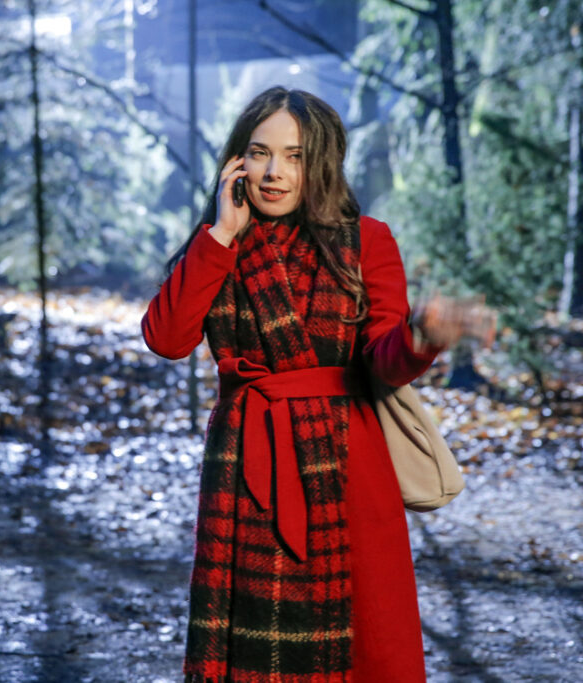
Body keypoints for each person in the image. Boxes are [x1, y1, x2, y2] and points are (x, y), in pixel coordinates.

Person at [142, 87, 486, 682]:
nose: (273, 172)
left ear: (321, 163)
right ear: (237, 162)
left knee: (366, 640)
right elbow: (167, 338)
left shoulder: (366, 241)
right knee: (251, 645)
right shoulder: (217, 243)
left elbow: (381, 363)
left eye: (294, 156)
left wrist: (423, 336)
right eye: (259, 152)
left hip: (348, 466)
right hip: (246, 462)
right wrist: (221, 234)